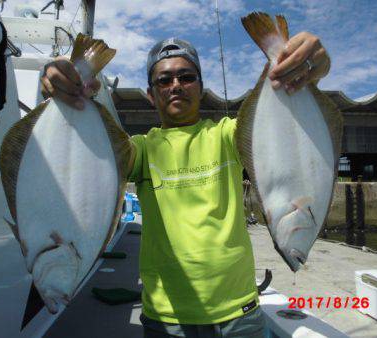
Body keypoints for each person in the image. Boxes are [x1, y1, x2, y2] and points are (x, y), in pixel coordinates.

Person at [41, 30, 330, 338]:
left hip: (239, 315)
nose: (175, 85)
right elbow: (101, 155)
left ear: (201, 87)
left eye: (186, 76)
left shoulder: (229, 136)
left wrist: (312, 72)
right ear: (151, 95)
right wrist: (70, 87)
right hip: (167, 321)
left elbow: (277, 126)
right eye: (164, 80)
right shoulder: (141, 149)